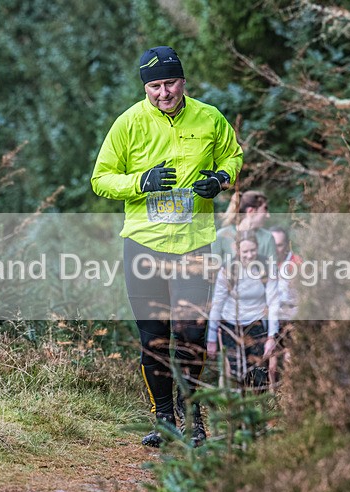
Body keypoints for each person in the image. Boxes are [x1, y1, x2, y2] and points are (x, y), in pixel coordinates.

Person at [91, 45, 243, 447]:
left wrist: (221, 179)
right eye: (155, 86)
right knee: (154, 339)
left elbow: (234, 154)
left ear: (183, 82)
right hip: (144, 246)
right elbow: (101, 179)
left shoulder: (209, 117)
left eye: (170, 83)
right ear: (146, 88)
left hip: (194, 245)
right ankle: (164, 418)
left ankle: (193, 419)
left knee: (191, 336)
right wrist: (141, 182)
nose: (164, 93)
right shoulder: (128, 124)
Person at [207, 230, 280, 389]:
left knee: (259, 372)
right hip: (231, 324)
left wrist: (271, 337)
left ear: (258, 248)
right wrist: (211, 339)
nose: (249, 255)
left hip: (255, 322)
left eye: (253, 250)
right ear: (237, 250)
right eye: (245, 251)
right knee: (237, 372)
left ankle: (259, 407)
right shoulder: (228, 271)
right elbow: (217, 304)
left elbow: (274, 302)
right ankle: (237, 410)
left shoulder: (266, 267)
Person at [270, 225, 302, 378]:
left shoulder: (296, 263)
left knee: (290, 358)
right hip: (271, 316)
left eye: (279, 245)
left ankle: (288, 396)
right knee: (272, 362)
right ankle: (270, 398)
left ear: (287, 245)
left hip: (291, 316)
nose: (276, 249)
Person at [212, 190, 276, 265]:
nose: (268, 216)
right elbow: (212, 270)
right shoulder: (220, 236)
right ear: (251, 211)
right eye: (264, 210)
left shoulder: (268, 237)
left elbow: (273, 271)